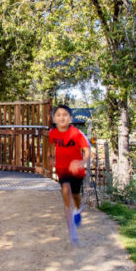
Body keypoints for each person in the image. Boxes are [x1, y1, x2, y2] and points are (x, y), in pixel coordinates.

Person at [48, 105, 91, 246]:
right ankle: (72, 232)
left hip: (76, 171)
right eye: (58, 115)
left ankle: (78, 209)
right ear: (54, 119)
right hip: (62, 170)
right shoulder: (52, 134)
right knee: (66, 192)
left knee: (76, 196)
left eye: (65, 114)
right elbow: (52, 147)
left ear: (70, 118)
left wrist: (82, 161)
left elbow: (87, 150)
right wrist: (51, 157)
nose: (62, 117)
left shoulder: (76, 133)